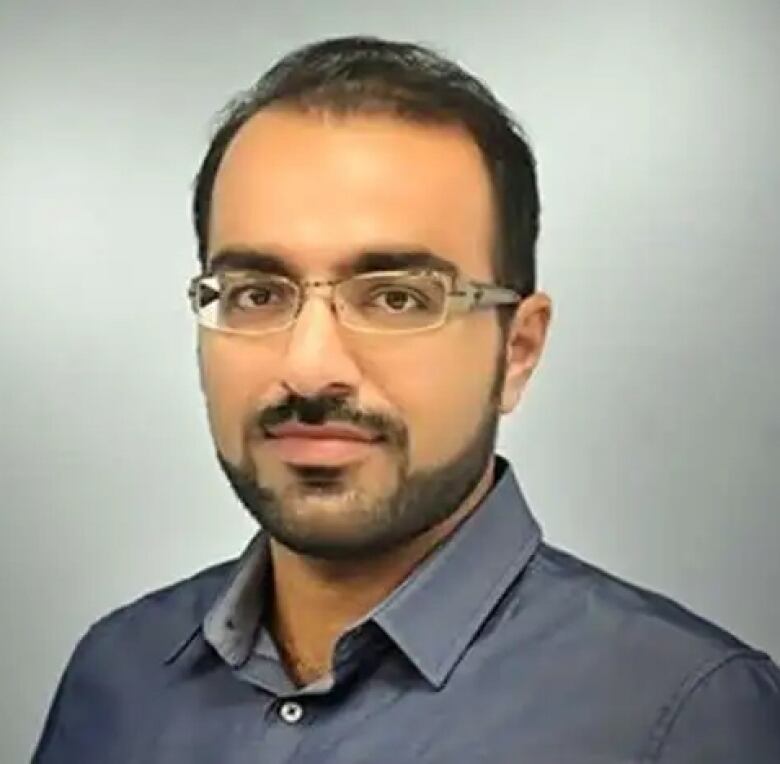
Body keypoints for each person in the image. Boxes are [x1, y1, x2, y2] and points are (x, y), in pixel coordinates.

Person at [32, 35, 780, 763]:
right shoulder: (120, 676)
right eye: (257, 293)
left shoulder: (679, 718)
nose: (309, 367)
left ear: (517, 349)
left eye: (396, 298)